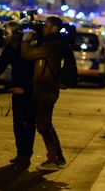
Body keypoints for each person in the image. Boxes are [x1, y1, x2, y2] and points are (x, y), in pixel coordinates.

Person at [0, 20, 35, 168]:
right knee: (18, 123)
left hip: (31, 91)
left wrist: (25, 89)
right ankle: (20, 153)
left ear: (15, 34)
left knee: (29, 123)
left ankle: (26, 155)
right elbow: (0, 66)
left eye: (6, 33)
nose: (4, 36)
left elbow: (35, 73)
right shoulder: (9, 49)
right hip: (16, 89)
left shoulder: (28, 48)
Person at [21, 16, 67, 171]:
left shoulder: (54, 45)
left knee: (43, 125)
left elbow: (28, 54)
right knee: (45, 124)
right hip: (42, 89)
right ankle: (57, 157)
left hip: (47, 90)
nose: (44, 28)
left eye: (46, 26)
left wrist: (25, 40)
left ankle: (54, 159)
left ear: (54, 28)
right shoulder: (49, 42)